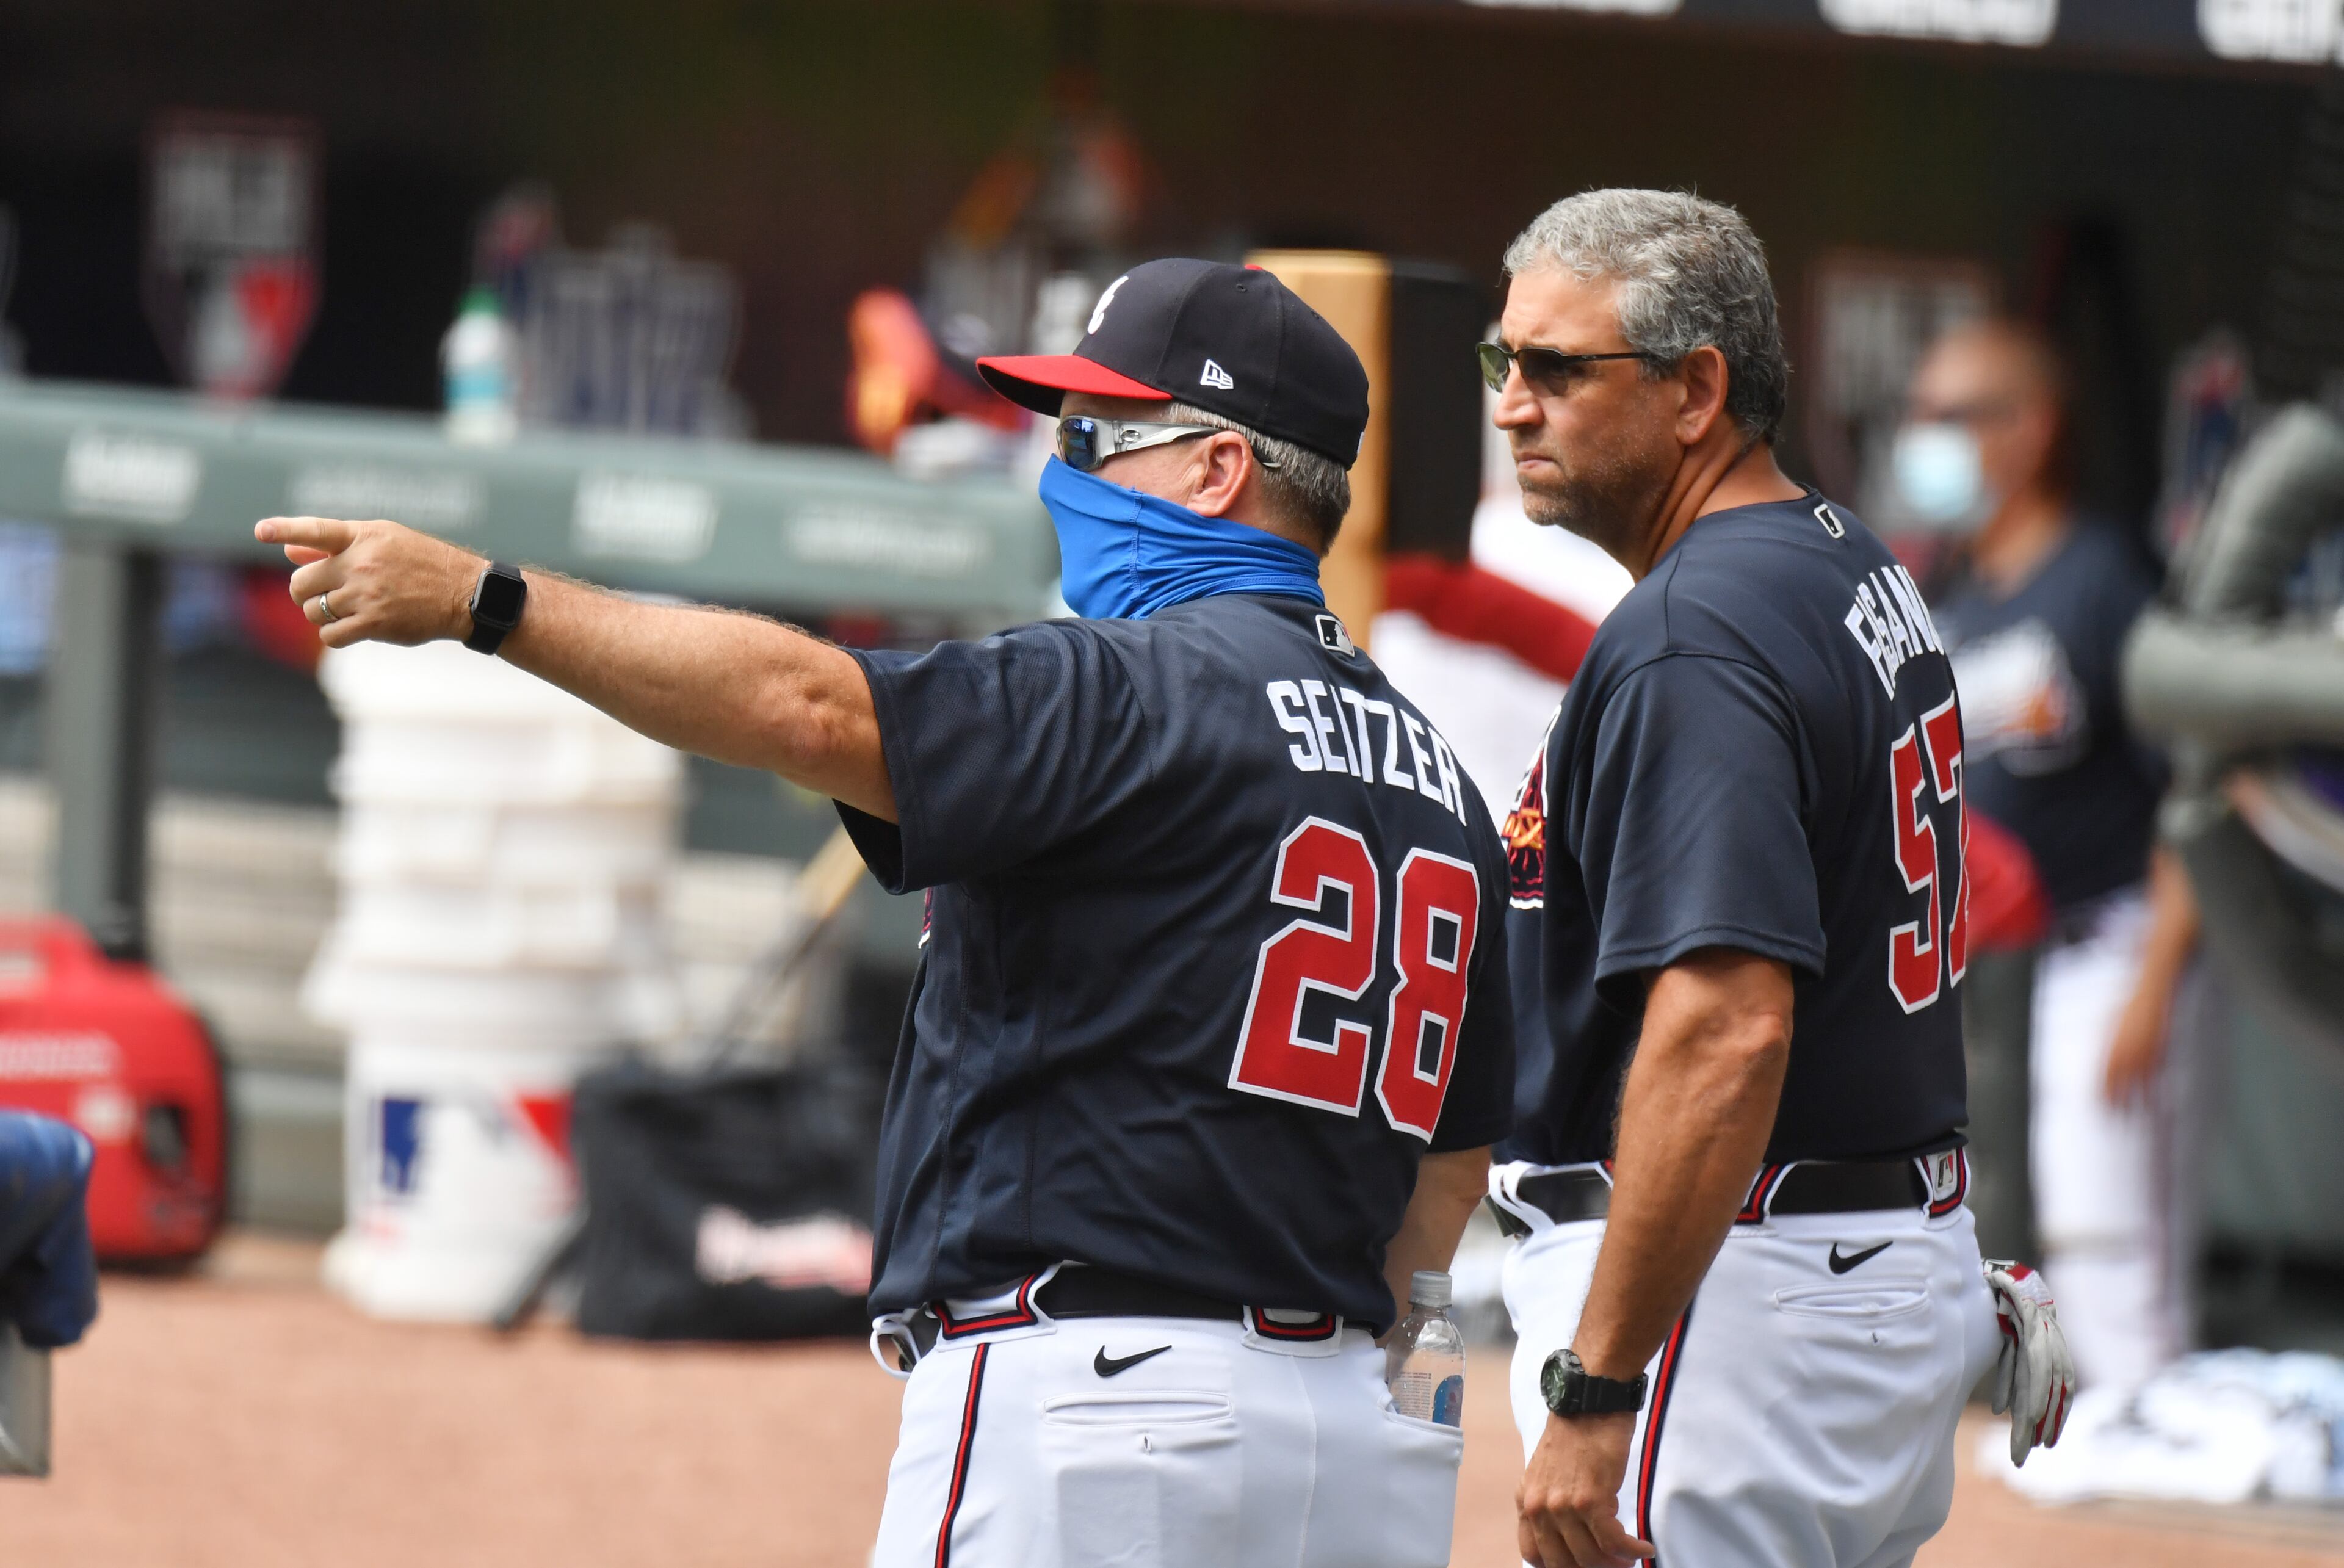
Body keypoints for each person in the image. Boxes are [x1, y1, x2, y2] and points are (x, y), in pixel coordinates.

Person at [255, 258, 1516, 1568]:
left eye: (1096, 438)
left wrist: (487, 602)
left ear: (1216, 472)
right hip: (1349, 1442)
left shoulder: (1127, 684)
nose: (1061, 473)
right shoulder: (1441, 782)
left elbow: (809, 707)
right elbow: (1445, 1177)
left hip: (1100, 1403)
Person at [1483, 189, 2071, 1568]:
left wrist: (1601, 1383)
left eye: (1560, 367)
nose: (1516, 403)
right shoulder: (1841, 554)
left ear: (1698, 391)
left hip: (1742, 1296)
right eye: (1505, 363)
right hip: (1866, 1262)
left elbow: (1730, 1026)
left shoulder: (1697, 629)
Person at [1900, 319, 2203, 1395]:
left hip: (2108, 937)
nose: (1921, 440)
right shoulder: (1950, 597)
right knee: (2018, 1243)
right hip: (1986, 971)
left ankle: (2153, 1445)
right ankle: (2096, 1466)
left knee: (2107, 1234)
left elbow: (2196, 788)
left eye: (1950, 417)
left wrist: (2158, 978)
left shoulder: (2105, 577)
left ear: (2029, 429)